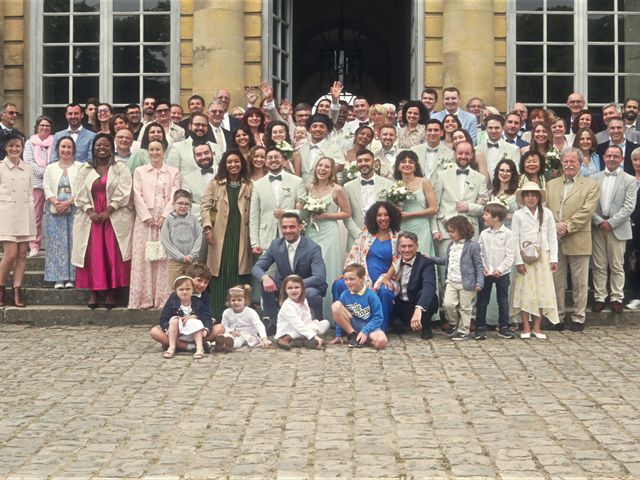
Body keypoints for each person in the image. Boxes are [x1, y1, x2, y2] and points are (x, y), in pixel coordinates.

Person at [72, 133, 134, 309]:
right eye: (98, 145)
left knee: (112, 253)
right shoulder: (84, 169)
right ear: (93, 148)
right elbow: (78, 192)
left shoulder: (120, 168)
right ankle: (93, 291)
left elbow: (124, 190)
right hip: (90, 218)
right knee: (92, 254)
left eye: (106, 145)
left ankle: (112, 292)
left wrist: (109, 209)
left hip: (113, 217)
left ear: (111, 148)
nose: (102, 148)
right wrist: (90, 210)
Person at [546, 148, 600, 331]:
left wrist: (566, 226)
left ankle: (578, 317)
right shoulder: (551, 184)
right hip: (555, 240)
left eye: (572, 162)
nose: (568, 165)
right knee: (557, 281)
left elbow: (587, 211)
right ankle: (558, 317)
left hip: (578, 238)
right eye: (566, 161)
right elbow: (545, 209)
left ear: (580, 163)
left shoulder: (591, 185)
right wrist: (554, 226)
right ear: (561, 163)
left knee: (580, 282)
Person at [251, 213, 327, 334]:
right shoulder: (276, 245)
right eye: (284, 227)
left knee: (312, 293)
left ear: (300, 227)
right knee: (265, 282)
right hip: (283, 287)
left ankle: (317, 322)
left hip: (306, 287)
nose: (288, 231)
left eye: (292, 227)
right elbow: (257, 268)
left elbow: (319, 277)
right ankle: (273, 321)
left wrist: (294, 286)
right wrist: (264, 277)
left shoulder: (313, 248)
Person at [332, 201, 401, 334]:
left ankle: (379, 330)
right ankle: (343, 328)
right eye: (379, 215)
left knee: (385, 290)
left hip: (385, 277)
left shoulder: (397, 236)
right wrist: (347, 274)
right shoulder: (366, 233)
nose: (383, 218)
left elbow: (397, 261)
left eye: (386, 215)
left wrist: (386, 278)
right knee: (339, 284)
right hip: (362, 277)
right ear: (374, 218)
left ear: (392, 216)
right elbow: (355, 253)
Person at [201, 149, 253, 320]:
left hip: (241, 234)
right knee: (218, 272)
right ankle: (215, 315)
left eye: (237, 162)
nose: (233, 165)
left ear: (242, 164)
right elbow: (205, 206)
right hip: (219, 235)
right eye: (229, 162)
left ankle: (240, 317)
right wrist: (208, 228)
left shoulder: (249, 184)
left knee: (239, 271)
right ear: (224, 164)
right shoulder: (215, 183)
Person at [128, 140, 180, 309]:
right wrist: (146, 216)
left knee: (164, 257)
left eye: (158, 149)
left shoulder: (173, 171)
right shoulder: (140, 171)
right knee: (145, 257)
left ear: (163, 151)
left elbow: (175, 194)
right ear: (148, 152)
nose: (155, 152)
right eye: (152, 149)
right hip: (145, 219)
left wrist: (165, 215)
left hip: (166, 218)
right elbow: (136, 193)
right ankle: (144, 298)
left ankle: (163, 298)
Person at [590, 145, 637, 313]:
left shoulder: (629, 180)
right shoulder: (593, 178)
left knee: (617, 265)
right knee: (599, 265)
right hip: (598, 227)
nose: (611, 159)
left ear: (621, 159)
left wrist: (611, 222)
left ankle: (617, 297)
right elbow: (590, 205)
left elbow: (629, 206)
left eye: (615, 156)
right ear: (603, 157)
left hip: (618, 227)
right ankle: (599, 297)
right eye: (609, 156)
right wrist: (598, 221)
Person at [510, 182, 559, 339]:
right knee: (526, 291)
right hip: (525, 256)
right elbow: (515, 238)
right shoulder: (518, 214)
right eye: (527, 195)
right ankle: (525, 326)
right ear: (523, 197)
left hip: (542, 255)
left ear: (539, 197)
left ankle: (537, 326)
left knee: (541, 291)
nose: (531, 198)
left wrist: (553, 258)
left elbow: (552, 236)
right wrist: (518, 261)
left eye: (534, 195)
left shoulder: (547, 213)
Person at [305, 156, 352, 317]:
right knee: (310, 268)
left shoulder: (337, 189)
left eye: (327, 167)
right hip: (311, 230)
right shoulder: (309, 187)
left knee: (327, 266)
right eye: (320, 165)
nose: (322, 169)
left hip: (329, 231)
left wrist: (326, 215)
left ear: (332, 170)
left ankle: (331, 313)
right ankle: (312, 311)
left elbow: (347, 212)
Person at [0, 134, 36, 307]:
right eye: (11, 146)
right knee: (10, 255)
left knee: (22, 255)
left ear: (22, 148)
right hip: (6, 215)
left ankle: (17, 291)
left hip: (24, 214)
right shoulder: (0, 167)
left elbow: (30, 192)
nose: (14, 149)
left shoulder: (27, 168)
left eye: (18, 146)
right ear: (6, 148)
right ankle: (1, 289)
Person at [435, 216, 483, 341]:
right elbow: (448, 261)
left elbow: (478, 265)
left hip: (466, 282)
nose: (450, 235)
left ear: (462, 231)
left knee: (465, 308)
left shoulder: (473, 246)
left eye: (452, 232)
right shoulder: (451, 245)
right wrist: (431, 259)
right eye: (449, 232)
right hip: (451, 280)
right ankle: (453, 322)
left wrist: (479, 282)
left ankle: (463, 331)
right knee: (448, 304)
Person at [249, 147, 305, 254]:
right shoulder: (257, 185)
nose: (273, 160)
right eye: (270, 158)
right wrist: (255, 243)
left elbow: (304, 211)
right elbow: (254, 216)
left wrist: (286, 213)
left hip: (292, 236)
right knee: (266, 271)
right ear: (265, 162)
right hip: (265, 239)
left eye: (277, 157)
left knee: (290, 271)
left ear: (284, 161)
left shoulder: (297, 181)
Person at [43, 136, 81, 289]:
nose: (66, 150)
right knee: (56, 244)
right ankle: (58, 277)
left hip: (74, 209)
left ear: (73, 150)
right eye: (63, 147)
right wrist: (56, 202)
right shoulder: (50, 168)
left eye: (69, 147)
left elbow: (81, 187)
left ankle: (72, 277)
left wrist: (69, 202)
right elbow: (46, 186)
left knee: (73, 242)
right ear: (58, 149)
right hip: (55, 210)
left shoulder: (80, 167)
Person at [476, 202, 516, 340]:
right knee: (482, 301)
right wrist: (483, 267)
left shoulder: (508, 234)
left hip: (502, 274)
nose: (484, 216)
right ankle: (480, 327)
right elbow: (479, 253)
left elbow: (510, 255)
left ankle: (504, 327)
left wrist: (500, 269)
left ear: (496, 218)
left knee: (503, 300)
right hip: (486, 273)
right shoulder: (483, 234)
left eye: (486, 214)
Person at [388, 232, 438, 340]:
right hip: (400, 304)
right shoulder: (394, 262)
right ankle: (396, 324)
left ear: (417, 246)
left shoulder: (425, 262)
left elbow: (429, 285)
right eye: (403, 246)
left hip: (416, 303)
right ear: (398, 247)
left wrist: (419, 308)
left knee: (430, 296)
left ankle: (426, 327)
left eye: (410, 246)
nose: (406, 250)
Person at [343, 148, 393, 251]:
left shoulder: (388, 184)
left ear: (374, 162)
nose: (363, 163)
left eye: (367, 160)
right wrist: (358, 234)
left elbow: (392, 212)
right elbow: (346, 216)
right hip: (356, 238)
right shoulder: (347, 187)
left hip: (382, 236)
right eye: (360, 161)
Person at [331, 263, 388, 349]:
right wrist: (339, 334)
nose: (348, 282)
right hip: (351, 325)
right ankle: (353, 335)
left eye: (351, 279)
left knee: (382, 342)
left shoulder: (371, 295)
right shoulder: (344, 295)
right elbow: (339, 314)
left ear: (361, 279)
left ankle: (362, 340)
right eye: (346, 279)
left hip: (368, 326)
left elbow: (378, 317)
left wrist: (365, 331)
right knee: (336, 305)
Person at [393, 150, 438, 255]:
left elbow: (433, 209)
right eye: (403, 161)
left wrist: (410, 214)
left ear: (415, 166)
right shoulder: (395, 185)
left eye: (411, 162)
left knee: (422, 257)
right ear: (398, 166)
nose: (407, 164)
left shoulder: (424, 182)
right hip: (403, 227)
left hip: (421, 226)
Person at [23, 115, 54, 257]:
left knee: (53, 215)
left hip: (53, 183)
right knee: (36, 215)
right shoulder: (30, 143)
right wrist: (46, 172)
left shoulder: (55, 141)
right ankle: (34, 245)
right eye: (42, 125)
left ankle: (52, 245)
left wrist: (50, 174)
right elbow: (29, 162)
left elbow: (56, 160)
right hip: (36, 184)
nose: (45, 128)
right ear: (37, 127)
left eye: (47, 125)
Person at [160, 276, 209, 360]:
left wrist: (205, 327)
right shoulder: (172, 301)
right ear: (176, 290)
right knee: (173, 320)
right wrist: (167, 329)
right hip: (177, 334)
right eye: (181, 289)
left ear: (192, 290)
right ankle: (172, 347)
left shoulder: (197, 301)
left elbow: (206, 316)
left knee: (195, 321)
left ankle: (199, 348)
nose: (184, 292)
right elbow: (163, 318)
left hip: (194, 333)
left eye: (188, 289)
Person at [274, 275, 329, 350]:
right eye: (290, 288)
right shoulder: (287, 305)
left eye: (297, 287)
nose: (293, 290)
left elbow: (307, 320)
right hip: (287, 331)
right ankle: (286, 339)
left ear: (302, 289)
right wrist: (314, 336)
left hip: (302, 329)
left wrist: (311, 328)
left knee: (325, 323)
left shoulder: (304, 300)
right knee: (307, 329)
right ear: (285, 290)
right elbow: (297, 324)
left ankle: (303, 340)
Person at [160, 189, 203, 288]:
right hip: (175, 262)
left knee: (193, 286)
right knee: (176, 287)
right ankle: (177, 304)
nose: (183, 206)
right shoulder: (169, 220)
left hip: (192, 261)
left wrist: (192, 255)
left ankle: (193, 304)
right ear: (174, 204)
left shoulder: (193, 219)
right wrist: (180, 256)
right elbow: (165, 241)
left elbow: (199, 237)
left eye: (187, 204)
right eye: (180, 203)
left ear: (190, 205)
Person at [216, 284, 270, 351]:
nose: (236, 302)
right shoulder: (227, 312)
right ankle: (219, 344)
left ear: (245, 300)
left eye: (239, 300)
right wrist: (230, 332)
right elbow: (224, 326)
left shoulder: (250, 312)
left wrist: (264, 338)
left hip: (248, 335)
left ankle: (229, 345)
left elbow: (259, 325)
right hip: (233, 334)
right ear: (229, 301)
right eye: (233, 300)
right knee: (226, 336)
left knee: (240, 339)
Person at [490, 159, 519, 226]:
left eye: (508, 171)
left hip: (512, 231)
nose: (504, 173)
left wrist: (506, 216)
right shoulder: (491, 193)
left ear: (513, 173)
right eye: (502, 170)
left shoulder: (518, 193)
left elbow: (523, 215)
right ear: (497, 172)